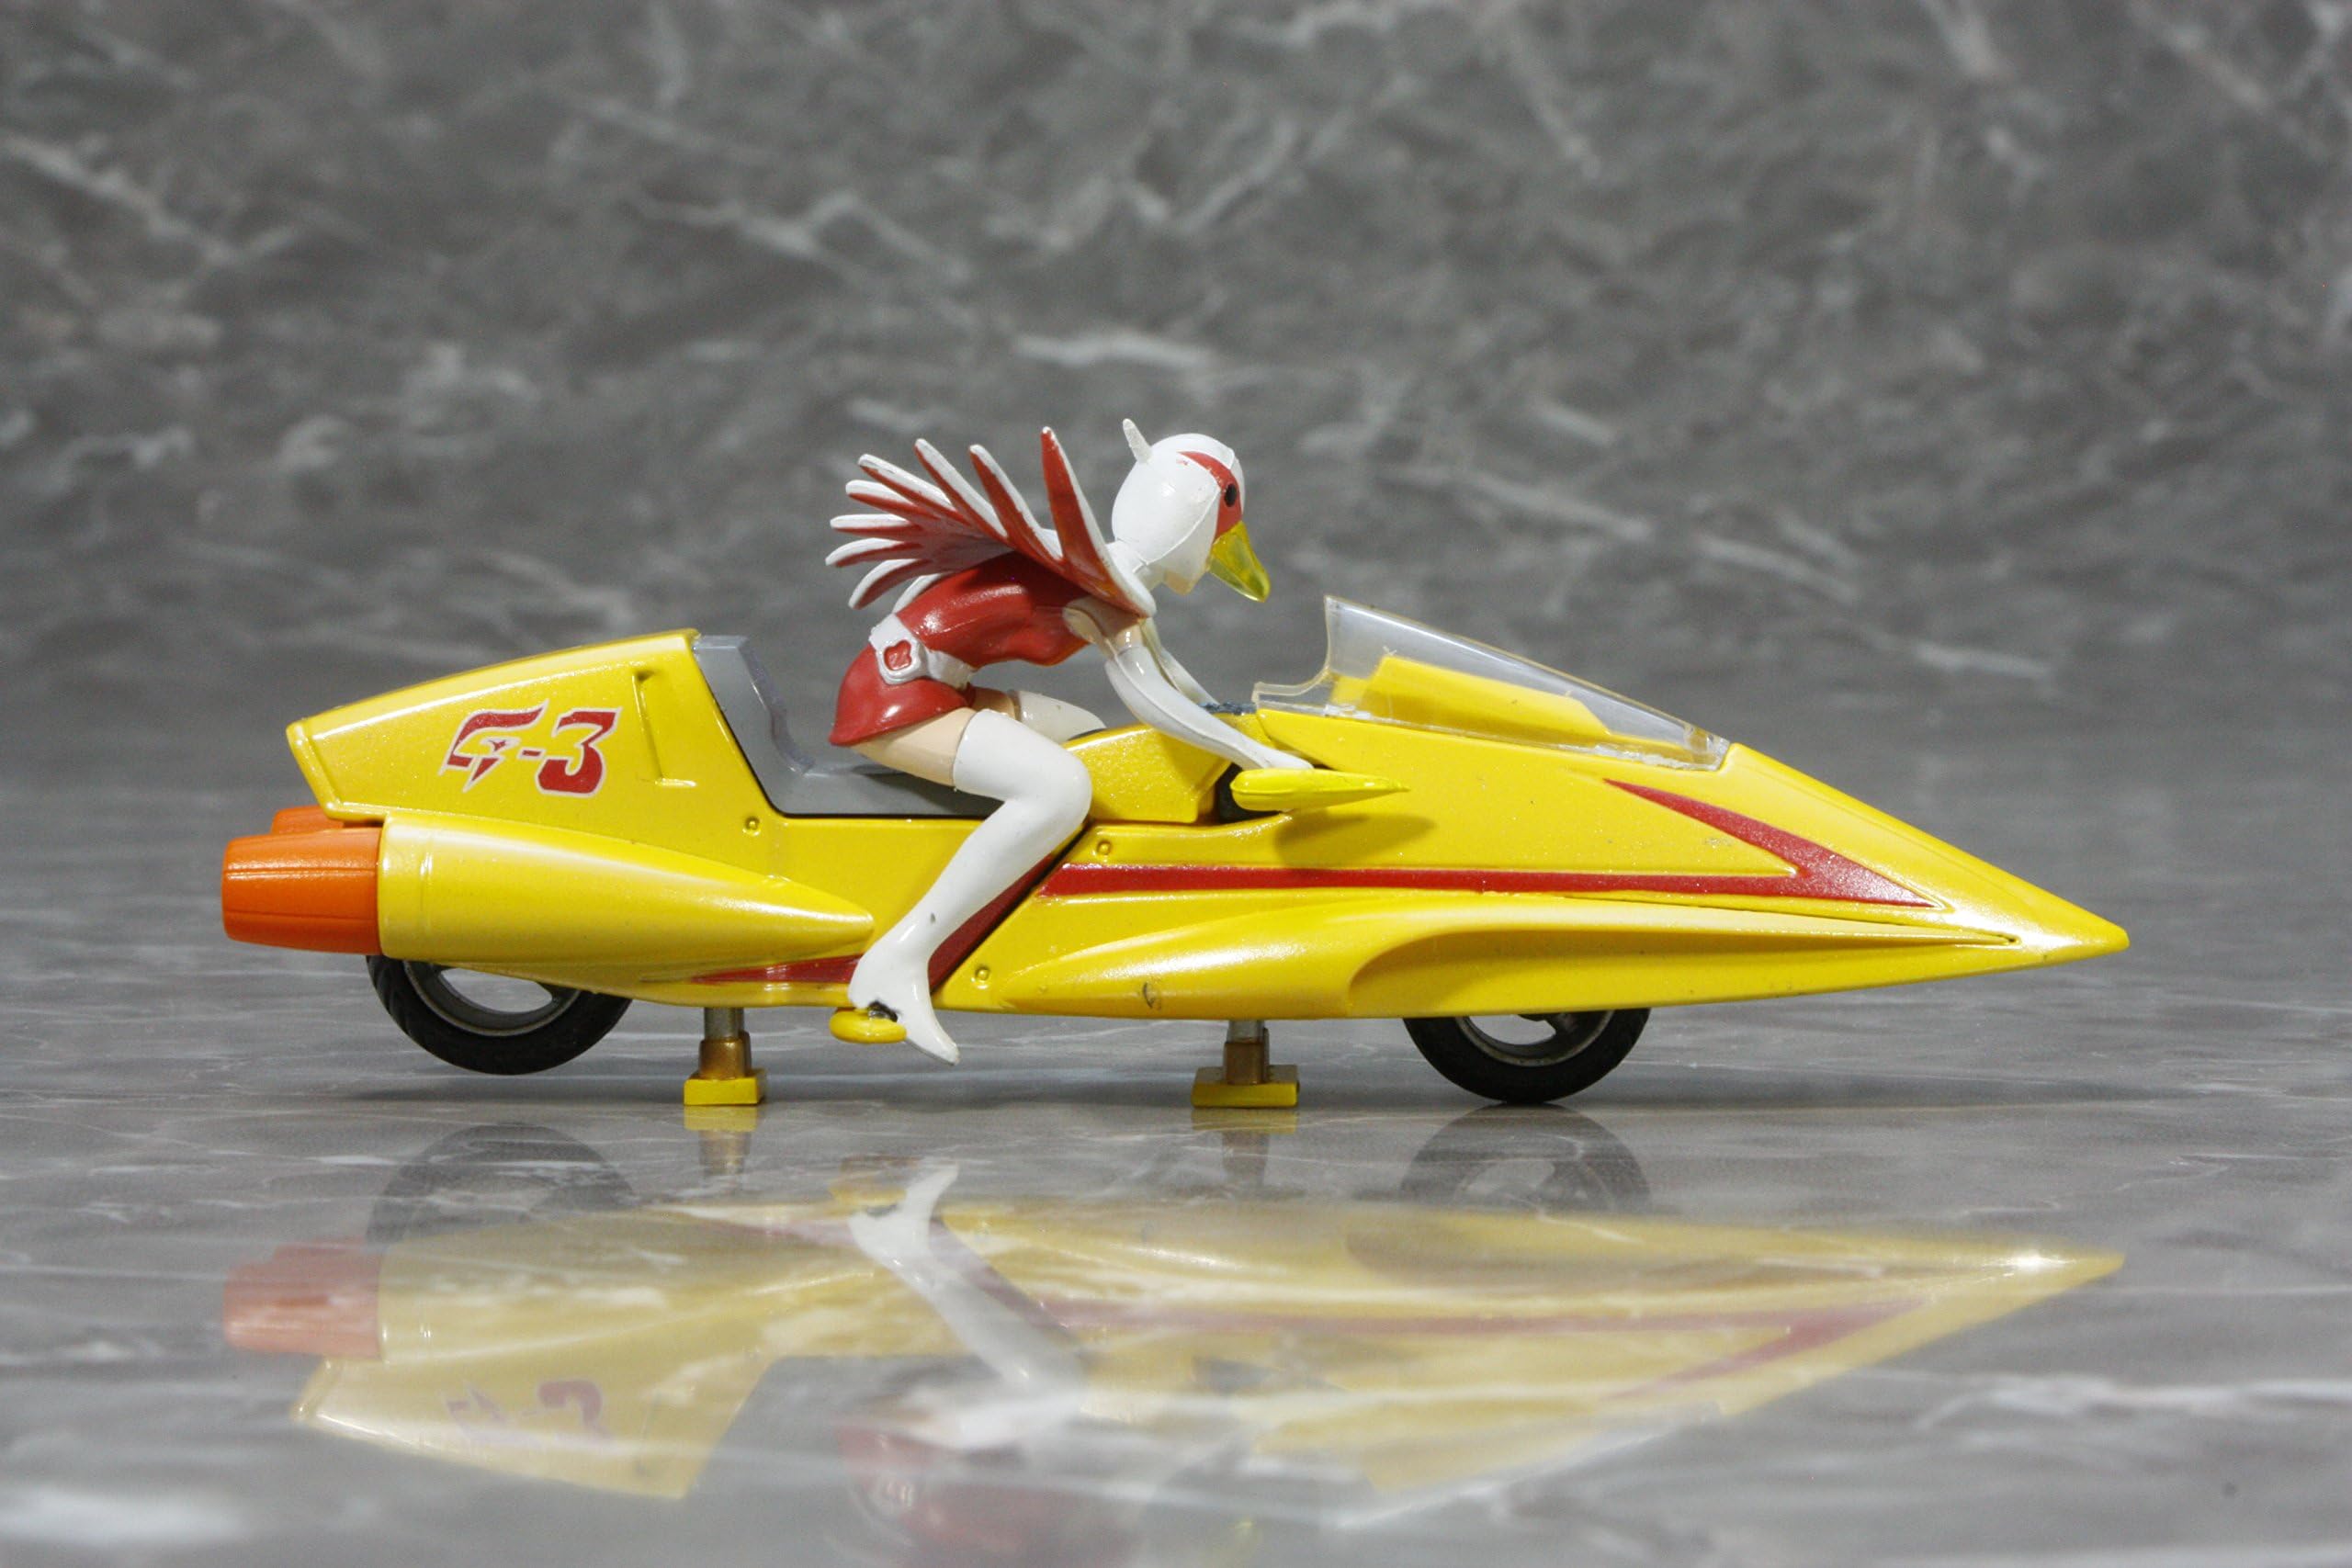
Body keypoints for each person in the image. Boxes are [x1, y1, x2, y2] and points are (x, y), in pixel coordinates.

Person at [823, 420, 1309, 1061]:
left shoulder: (1108, 577)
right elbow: (1149, 697)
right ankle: (902, 957)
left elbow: (1168, 676)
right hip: (897, 696)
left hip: (941, 688)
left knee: (1089, 743)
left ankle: (1034, 907)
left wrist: (1230, 719)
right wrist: (1254, 755)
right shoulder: (1107, 587)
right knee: (1060, 788)